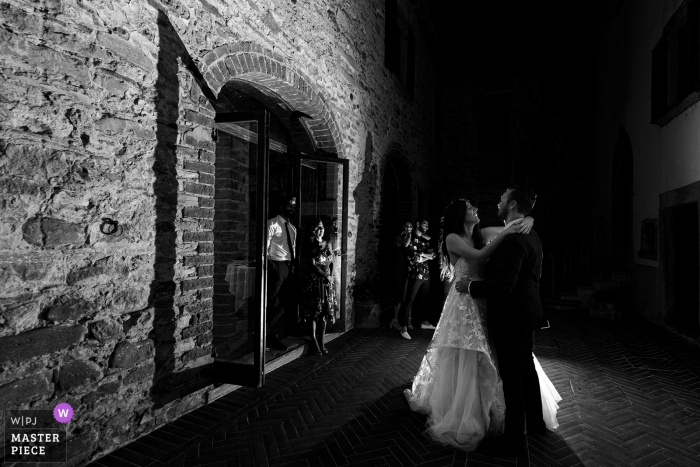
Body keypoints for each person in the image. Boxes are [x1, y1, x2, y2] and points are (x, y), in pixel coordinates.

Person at [404, 198, 531, 451]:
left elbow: (509, 230)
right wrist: (506, 230)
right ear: (461, 215)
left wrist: (529, 219)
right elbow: (481, 255)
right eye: (471, 208)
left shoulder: (480, 233)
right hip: (463, 304)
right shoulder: (453, 238)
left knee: (487, 353)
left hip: (482, 301)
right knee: (465, 355)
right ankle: (462, 409)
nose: (476, 209)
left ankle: (484, 404)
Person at [456, 185, 551, 456]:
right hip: (527, 311)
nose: (497, 201)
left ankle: (514, 439)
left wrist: (471, 288)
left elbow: (504, 285)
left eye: (502, 198)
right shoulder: (529, 232)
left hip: (513, 315)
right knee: (526, 368)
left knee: (512, 377)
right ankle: (535, 423)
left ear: (511, 205)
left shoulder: (514, 238)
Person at [265, 195, 298, 351]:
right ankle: (268, 336)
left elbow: (293, 249)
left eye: (294, 204)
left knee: (287, 302)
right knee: (271, 303)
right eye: (290, 203)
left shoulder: (292, 228)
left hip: (289, 266)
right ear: (281, 206)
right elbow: (263, 250)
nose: (293, 207)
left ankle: (265, 332)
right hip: (277, 265)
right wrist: (272, 266)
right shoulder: (272, 224)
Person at [301, 218, 338, 356]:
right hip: (314, 282)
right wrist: (325, 275)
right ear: (312, 230)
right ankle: (314, 341)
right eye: (317, 227)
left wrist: (331, 276)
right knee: (313, 312)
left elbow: (332, 261)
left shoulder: (327, 243)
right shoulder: (310, 244)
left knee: (324, 313)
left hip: (326, 282)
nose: (320, 229)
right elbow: (311, 264)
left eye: (321, 227)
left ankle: (322, 342)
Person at [397, 219, 435, 339]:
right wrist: (424, 256)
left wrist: (423, 256)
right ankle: (403, 327)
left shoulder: (424, 240)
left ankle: (424, 322)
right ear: (418, 225)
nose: (427, 227)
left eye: (428, 225)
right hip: (414, 273)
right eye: (425, 224)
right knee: (409, 300)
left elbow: (433, 255)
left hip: (425, 273)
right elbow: (414, 257)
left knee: (424, 298)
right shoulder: (410, 238)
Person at [389, 222, 413, 331]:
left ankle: (407, 319)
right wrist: (410, 235)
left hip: (408, 268)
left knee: (408, 294)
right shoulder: (399, 237)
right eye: (407, 226)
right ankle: (394, 320)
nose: (409, 228)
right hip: (399, 268)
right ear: (403, 227)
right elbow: (405, 244)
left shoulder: (409, 237)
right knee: (398, 293)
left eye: (411, 227)